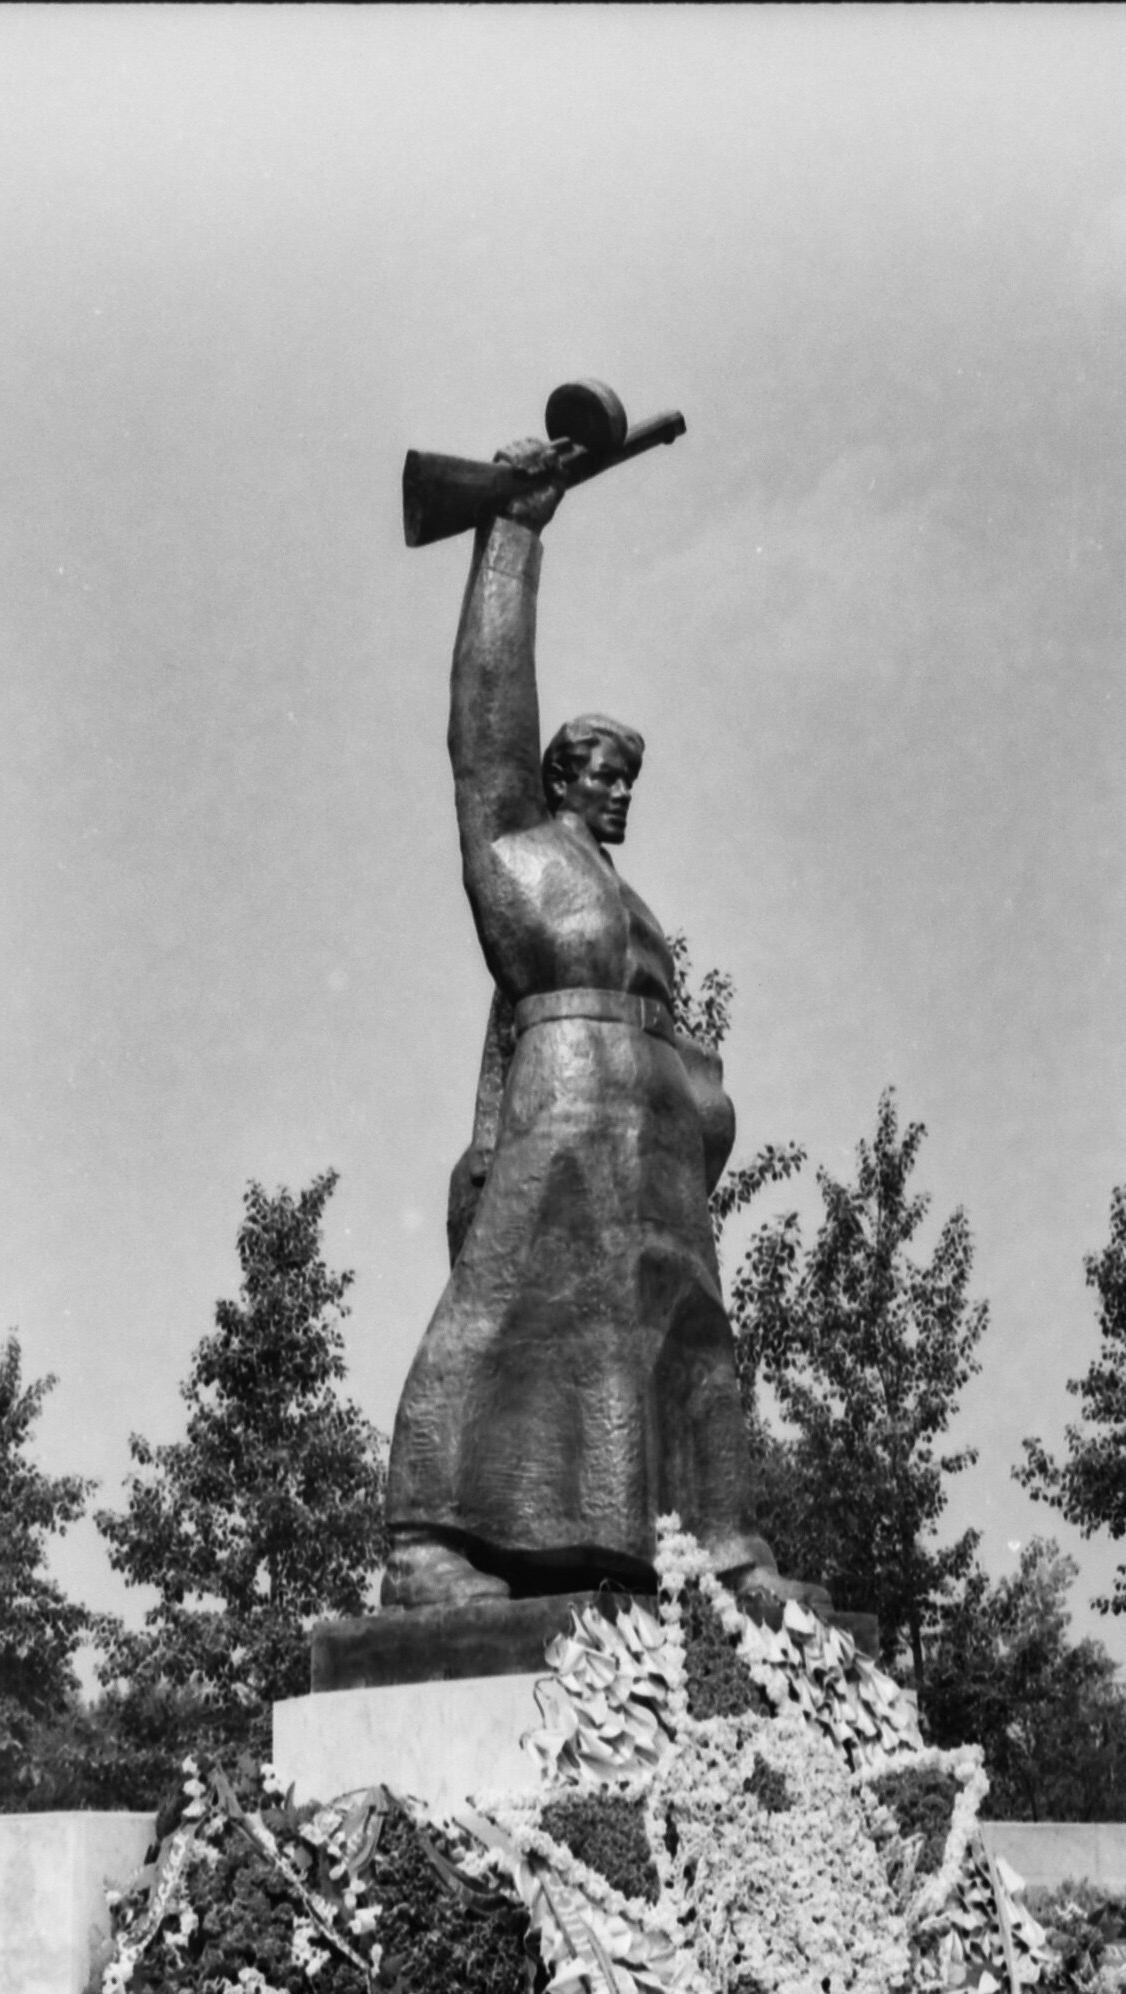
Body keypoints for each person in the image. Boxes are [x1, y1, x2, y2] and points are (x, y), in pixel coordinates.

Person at [381, 439, 811, 1611]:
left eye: (632, 777)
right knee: (511, 1300)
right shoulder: (520, 854)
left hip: (653, 1139)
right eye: (605, 773)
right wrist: (513, 535)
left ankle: (713, 1534)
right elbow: (484, 728)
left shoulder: (631, 902)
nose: (621, 793)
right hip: (565, 1106)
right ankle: (427, 1538)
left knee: (678, 1319)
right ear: (560, 780)